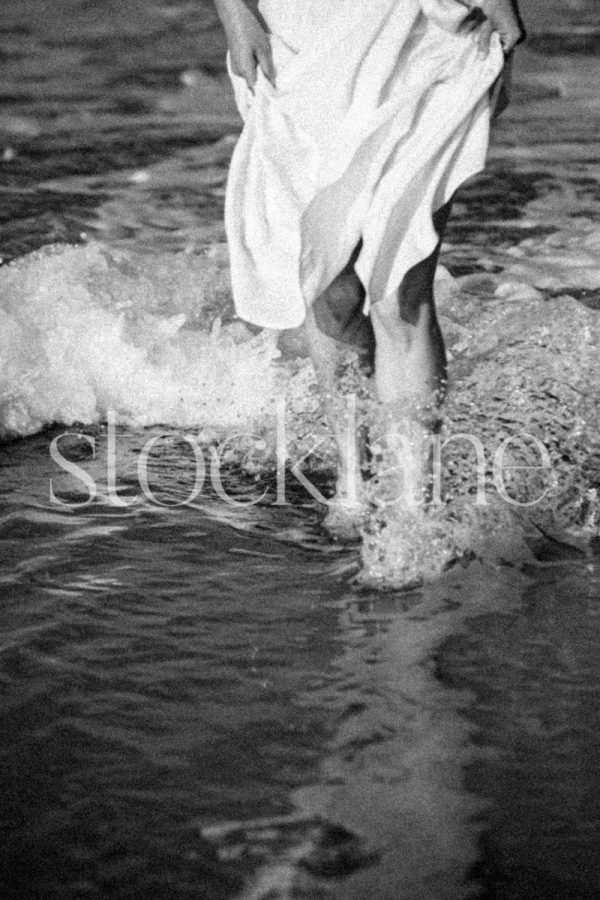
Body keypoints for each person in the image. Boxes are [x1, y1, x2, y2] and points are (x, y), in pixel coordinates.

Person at [214, 0, 525, 535]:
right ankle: (354, 477)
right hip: (297, 39)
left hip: (422, 36)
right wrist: (234, 14)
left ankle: (413, 508)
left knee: (399, 288)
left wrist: (504, 17)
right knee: (327, 291)